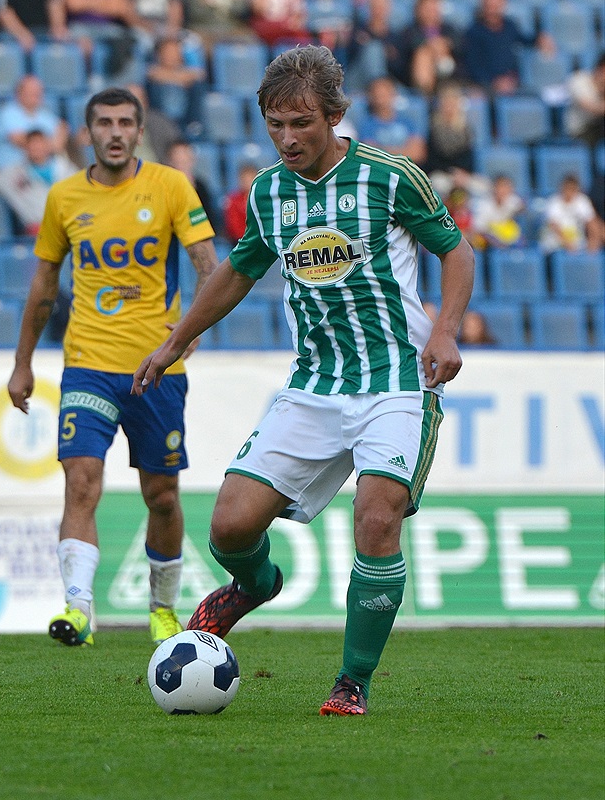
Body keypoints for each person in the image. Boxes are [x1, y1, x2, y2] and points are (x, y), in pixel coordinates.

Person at [132, 45, 475, 716]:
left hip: (397, 381)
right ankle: (254, 585)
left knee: (377, 517)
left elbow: (457, 250)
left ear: (334, 117)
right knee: (229, 527)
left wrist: (446, 328)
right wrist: (175, 339)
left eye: (301, 123)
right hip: (315, 383)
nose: (287, 138)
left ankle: (352, 681)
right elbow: (238, 269)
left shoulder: (390, 177)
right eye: (275, 124)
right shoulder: (268, 192)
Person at [7, 87, 218, 647]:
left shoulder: (171, 186)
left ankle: (162, 607)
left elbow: (208, 265)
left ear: (140, 132)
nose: (116, 132)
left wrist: (190, 329)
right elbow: (43, 287)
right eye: (104, 123)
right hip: (88, 364)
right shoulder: (64, 197)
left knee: (162, 495)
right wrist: (23, 363)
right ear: (88, 133)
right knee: (81, 481)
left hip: (157, 368)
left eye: (126, 122)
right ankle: (78, 608)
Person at [0, 129, 79, 236]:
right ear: (25, 148)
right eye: (32, 144)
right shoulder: (12, 175)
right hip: (38, 234)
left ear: (48, 146)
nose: (37, 148)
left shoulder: (68, 170)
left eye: (40, 143)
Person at [463, 0, 555, 95]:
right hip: (487, 86)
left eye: (497, 4)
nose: (493, 8)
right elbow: (474, 65)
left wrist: (539, 39)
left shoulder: (509, 26)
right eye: (490, 5)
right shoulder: (474, 32)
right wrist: (494, 82)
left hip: (512, 82)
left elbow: (523, 40)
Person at [0, 74, 70, 170]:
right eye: (32, 92)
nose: (37, 95)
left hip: (38, 170)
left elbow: (62, 128)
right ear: (19, 93)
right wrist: (51, 145)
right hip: (9, 169)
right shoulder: (7, 112)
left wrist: (51, 144)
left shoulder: (44, 114)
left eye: (39, 91)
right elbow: (19, 139)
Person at [395, 0, 463, 96]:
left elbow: (459, 46)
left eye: (434, 8)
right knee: (424, 53)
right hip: (418, 74)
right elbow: (408, 48)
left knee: (441, 45)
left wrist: (443, 44)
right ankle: (425, 94)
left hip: (451, 73)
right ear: (418, 10)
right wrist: (431, 46)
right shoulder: (409, 31)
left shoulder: (449, 29)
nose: (431, 12)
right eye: (427, 8)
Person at [357, 76, 427, 166]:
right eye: (377, 95)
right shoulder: (366, 126)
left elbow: (417, 154)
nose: (381, 100)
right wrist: (404, 152)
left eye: (384, 95)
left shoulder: (408, 122)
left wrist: (385, 151)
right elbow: (371, 155)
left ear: (393, 94)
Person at [146, 34, 207, 136]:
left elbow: (200, 75)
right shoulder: (152, 70)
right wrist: (180, 79)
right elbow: (153, 74)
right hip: (161, 115)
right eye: (168, 52)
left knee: (197, 87)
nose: (173, 56)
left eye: (175, 51)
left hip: (184, 117)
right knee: (156, 87)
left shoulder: (187, 70)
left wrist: (172, 77)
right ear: (159, 54)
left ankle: (194, 126)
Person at [425, 82, 476, 199]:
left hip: (462, 174)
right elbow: (432, 159)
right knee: (439, 184)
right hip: (440, 173)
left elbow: (469, 157)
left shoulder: (466, 130)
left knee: (482, 187)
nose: (450, 107)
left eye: (453, 103)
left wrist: (462, 173)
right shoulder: (434, 129)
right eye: (446, 103)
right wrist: (451, 172)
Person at [539, 174, 603, 255]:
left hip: (577, 244)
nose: (569, 192)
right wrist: (567, 243)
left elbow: (592, 222)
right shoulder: (553, 202)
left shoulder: (582, 201)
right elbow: (553, 226)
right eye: (567, 189)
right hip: (554, 244)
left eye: (572, 189)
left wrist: (594, 240)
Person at [166, 139, 219, 233]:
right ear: (171, 161)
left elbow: (209, 220)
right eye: (178, 160)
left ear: (192, 160)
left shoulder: (201, 187)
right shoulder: (165, 188)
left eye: (185, 160)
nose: (182, 162)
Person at [472, 174, 527, 250]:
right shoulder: (483, 204)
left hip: (504, 237)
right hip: (487, 240)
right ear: (494, 188)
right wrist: (496, 241)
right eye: (501, 187)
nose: (504, 191)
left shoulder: (512, 200)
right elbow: (479, 230)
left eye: (507, 187)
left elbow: (523, 206)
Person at [564, 53, 605, 148]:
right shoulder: (579, 79)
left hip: (598, 129)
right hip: (580, 132)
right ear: (600, 68)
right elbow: (591, 107)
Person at [222, 161, 259, 247]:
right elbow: (233, 226)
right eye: (244, 179)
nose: (247, 182)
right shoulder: (233, 200)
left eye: (250, 178)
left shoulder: (262, 199)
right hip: (238, 242)